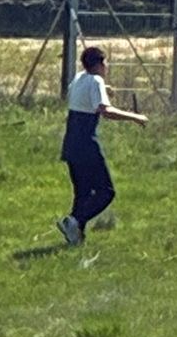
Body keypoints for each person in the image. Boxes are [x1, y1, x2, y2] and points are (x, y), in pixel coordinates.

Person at [58, 45, 147, 245]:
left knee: (82, 193)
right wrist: (135, 117)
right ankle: (73, 220)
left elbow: (80, 96)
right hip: (87, 145)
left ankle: (75, 236)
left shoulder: (79, 78)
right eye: (105, 63)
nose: (106, 67)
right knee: (106, 191)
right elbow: (106, 111)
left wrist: (104, 91)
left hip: (70, 143)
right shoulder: (96, 80)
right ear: (99, 64)